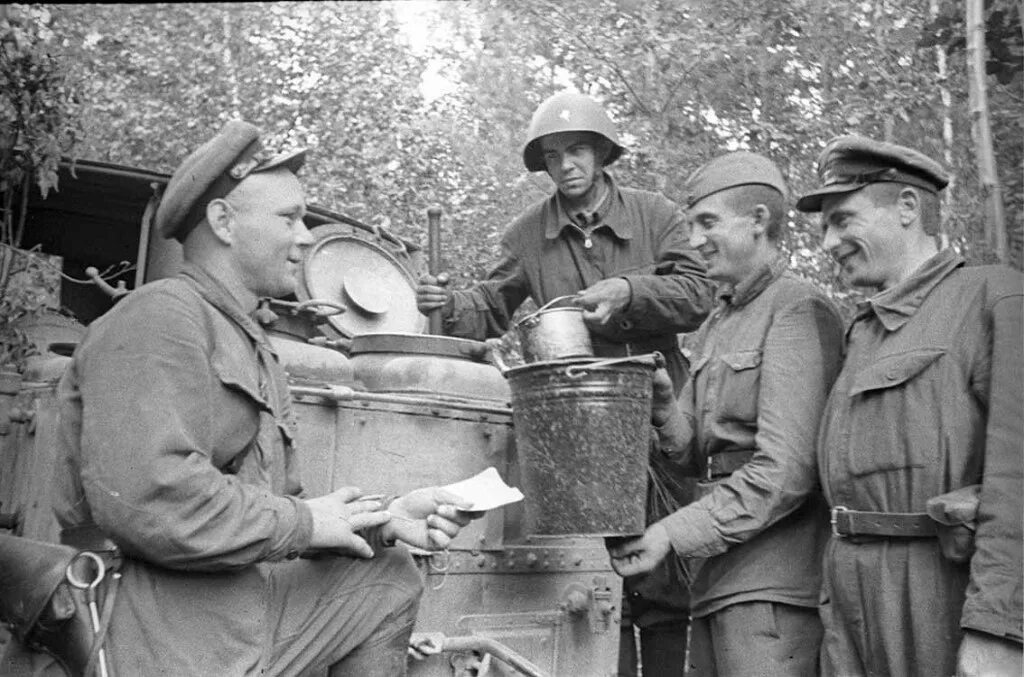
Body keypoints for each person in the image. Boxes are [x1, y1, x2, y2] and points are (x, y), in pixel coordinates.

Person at [51, 120, 480, 676]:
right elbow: (150, 499)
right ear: (224, 222)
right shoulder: (159, 317)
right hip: (152, 625)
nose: (307, 237)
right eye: (289, 218)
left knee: (386, 574)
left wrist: (386, 519)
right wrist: (304, 523)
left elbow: (271, 507)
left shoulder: (247, 338)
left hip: (225, 607)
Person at [416, 90, 716, 675]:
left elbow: (698, 294)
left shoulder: (655, 216)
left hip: (659, 424)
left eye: (577, 150)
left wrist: (628, 294)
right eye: (553, 156)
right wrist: (447, 304)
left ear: (602, 152)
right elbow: (491, 305)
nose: (566, 166)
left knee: (666, 590)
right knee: (595, 584)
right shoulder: (530, 233)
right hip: (575, 440)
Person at [608, 151, 845, 676]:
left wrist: (671, 533)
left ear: (758, 221)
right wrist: (668, 408)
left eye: (707, 223)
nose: (693, 240)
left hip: (775, 587)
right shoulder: (720, 319)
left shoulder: (798, 309)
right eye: (692, 225)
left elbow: (786, 471)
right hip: (718, 575)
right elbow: (697, 455)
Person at [795, 135, 1023, 677]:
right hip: (851, 605)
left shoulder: (995, 297)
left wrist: (998, 627)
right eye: (825, 226)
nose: (829, 242)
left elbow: (1018, 480)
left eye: (843, 219)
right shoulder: (863, 332)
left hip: (938, 596)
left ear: (906, 208)